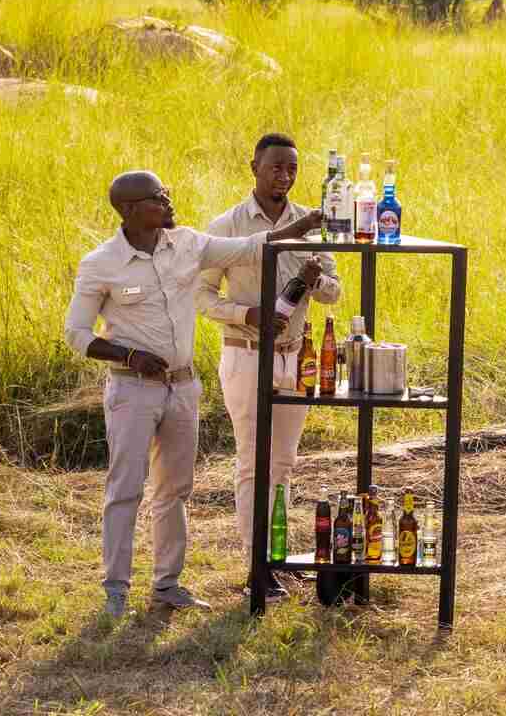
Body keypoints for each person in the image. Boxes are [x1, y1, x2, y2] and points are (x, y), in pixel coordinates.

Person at [64, 170, 321, 618]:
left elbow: (249, 246)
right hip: (133, 390)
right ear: (129, 210)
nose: (168, 201)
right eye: (157, 197)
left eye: (166, 193)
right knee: (126, 489)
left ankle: (167, 585)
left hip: (182, 388)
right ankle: (115, 592)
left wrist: (300, 227)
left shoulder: (187, 243)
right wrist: (128, 355)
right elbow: (76, 334)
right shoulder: (101, 263)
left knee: (175, 490)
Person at [197, 133, 341, 600]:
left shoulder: (309, 222)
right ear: (254, 166)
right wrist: (246, 314)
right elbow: (200, 296)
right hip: (245, 354)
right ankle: (255, 566)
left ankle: (275, 554)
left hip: (295, 359)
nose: (284, 176)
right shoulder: (228, 225)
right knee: (252, 461)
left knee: (283, 463)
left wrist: (318, 283)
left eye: (292, 169)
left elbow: (335, 289)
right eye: (276, 167)